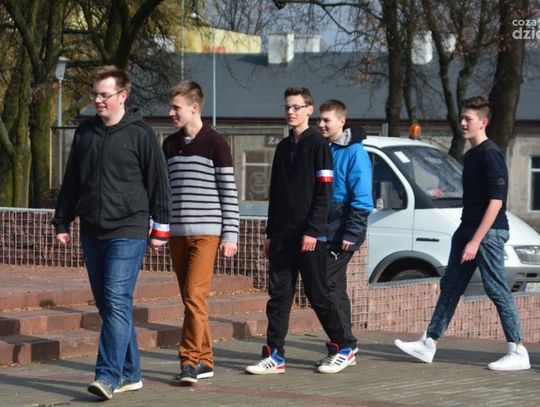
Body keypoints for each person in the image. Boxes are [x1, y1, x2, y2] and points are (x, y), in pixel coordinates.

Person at [52, 65, 171, 400]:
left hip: (129, 229)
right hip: (92, 230)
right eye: (95, 94)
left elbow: (159, 181)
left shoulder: (141, 134)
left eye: (104, 95)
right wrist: (62, 221)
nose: (97, 100)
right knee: (108, 305)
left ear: (123, 95)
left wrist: (161, 227)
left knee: (117, 299)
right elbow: (72, 180)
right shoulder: (85, 134)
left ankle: (107, 376)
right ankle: (130, 373)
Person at [394, 96, 530, 371]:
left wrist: (475, 241)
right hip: (466, 230)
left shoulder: (490, 154)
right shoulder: (471, 155)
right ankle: (429, 343)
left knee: (496, 288)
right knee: (451, 286)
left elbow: (496, 202)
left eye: (469, 119)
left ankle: (518, 350)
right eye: (463, 118)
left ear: (484, 122)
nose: (463, 123)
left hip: (488, 234)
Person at [245, 87, 356, 375]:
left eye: (296, 107)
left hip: (309, 236)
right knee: (278, 296)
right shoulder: (283, 147)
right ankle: (275, 355)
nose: (290, 112)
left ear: (309, 109)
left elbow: (324, 192)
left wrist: (313, 230)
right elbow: (276, 193)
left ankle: (344, 346)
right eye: (287, 107)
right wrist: (270, 234)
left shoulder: (318, 145)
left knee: (318, 294)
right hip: (282, 236)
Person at [162, 80, 239, 384]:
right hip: (177, 234)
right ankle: (206, 360)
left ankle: (189, 361)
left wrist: (231, 235)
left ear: (194, 108)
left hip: (207, 233)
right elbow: (164, 191)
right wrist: (159, 226)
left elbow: (228, 192)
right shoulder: (169, 145)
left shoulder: (215, 143)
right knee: (191, 300)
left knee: (195, 296)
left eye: (176, 108)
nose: (171, 113)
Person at [316, 100, 373, 364]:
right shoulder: (324, 148)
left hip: (342, 230)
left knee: (328, 285)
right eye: (320, 119)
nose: (321, 124)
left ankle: (345, 346)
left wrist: (352, 232)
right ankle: (341, 345)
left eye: (327, 120)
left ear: (341, 121)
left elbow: (362, 196)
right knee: (332, 286)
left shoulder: (354, 152)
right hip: (324, 230)